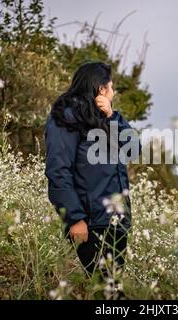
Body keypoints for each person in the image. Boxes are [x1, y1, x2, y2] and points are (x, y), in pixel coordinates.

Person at [44, 61, 142, 297]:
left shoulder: (107, 117)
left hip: (116, 223)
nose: (114, 92)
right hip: (90, 224)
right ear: (101, 89)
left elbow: (134, 150)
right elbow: (58, 171)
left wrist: (112, 117)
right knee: (110, 294)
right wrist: (75, 218)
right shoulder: (65, 117)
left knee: (111, 291)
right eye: (111, 86)